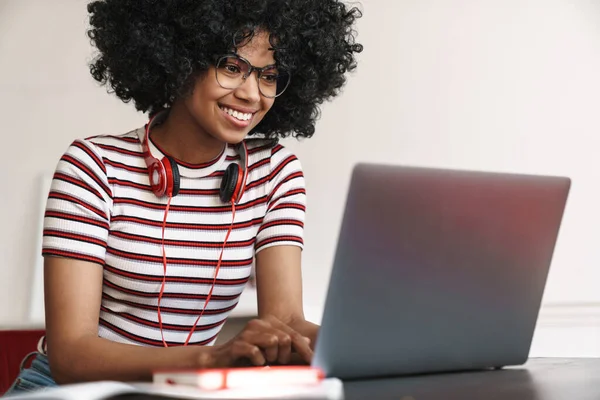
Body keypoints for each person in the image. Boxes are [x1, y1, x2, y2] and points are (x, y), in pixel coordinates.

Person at [4, 0, 362, 396]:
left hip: (179, 391)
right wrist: (210, 360)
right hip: (70, 390)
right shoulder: (92, 167)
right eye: (231, 67)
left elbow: (288, 322)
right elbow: (72, 357)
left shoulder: (274, 173)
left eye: (270, 76)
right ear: (180, 58)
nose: (250, 94)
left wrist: (368, 347)